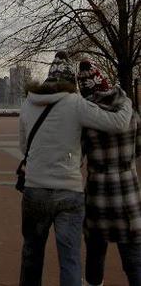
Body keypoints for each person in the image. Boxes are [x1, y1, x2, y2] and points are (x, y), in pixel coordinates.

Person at [19, 50, 133, 286]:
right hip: (68, 192)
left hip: (35, 189)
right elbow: (118, 123)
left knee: (32, 254)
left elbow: (24, 148)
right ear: (71, 81)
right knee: (69, 259)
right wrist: (126, 100)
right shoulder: (75, 104)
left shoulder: (28, 104)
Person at [77, 58, 141, 286]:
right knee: (134, 262)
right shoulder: (130, 113)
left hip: (98, 197)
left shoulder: (87, 119)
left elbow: (78, 157)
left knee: (95, 258)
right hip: (128, 196)